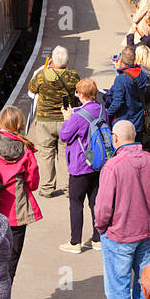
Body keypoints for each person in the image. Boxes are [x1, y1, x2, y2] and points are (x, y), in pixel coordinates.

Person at [94, 120, 150, 299]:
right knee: (144, 283)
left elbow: (103, 208)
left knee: (118, 286)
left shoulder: (113, 166)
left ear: (115, 138)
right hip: (145, 231)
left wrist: (101, 227)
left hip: (119, 235)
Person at [0, 105, 41, 279]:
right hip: (17, 212)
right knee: (11, 262)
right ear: (20, 125)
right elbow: (33, 182)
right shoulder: (26, 150)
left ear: (1, 122)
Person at [57, 79, 106, 254]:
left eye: (77, 93)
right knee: (95, 202)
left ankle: (75, 242)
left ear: (81, 95)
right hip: (98, 162)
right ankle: (97, 238)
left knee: (76, 203)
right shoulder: (102, 110)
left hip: (80, 164)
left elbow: (64, 136)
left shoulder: (77, 116)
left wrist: (67, 118)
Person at [26, 47, 80, 197]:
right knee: (65, 153)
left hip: (44, 120)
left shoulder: (42, 75)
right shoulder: (73, 76)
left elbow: (31, 89)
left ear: (51, 60)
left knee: (46, 154)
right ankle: (69, 187)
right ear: (67, 61)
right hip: (65, 120)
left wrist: (47, 68)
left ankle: (47, 188)